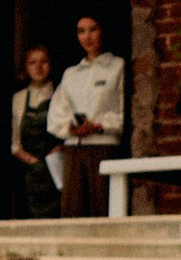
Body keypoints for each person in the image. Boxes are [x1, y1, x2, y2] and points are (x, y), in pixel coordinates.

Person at [46, 13, 125, 218]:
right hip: (74, 149)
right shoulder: (71, 74)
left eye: (93, 29)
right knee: (73, 210)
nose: (87, 37)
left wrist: (99, 125)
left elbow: (124, 109)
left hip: (103, 146)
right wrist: (70, 128)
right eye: (81, 31)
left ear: (103, 31)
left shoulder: (118, 67)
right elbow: (57, 113)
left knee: (103, 208)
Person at [9, 43, 60, 214]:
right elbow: (15, 143)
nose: (38, 67)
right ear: (26, 67)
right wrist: (33, 162)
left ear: (51, 64)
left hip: (57, 170)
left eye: (43, 61)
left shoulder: (60, 93)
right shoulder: (19, 98)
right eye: (32, 62)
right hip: (30, 172)